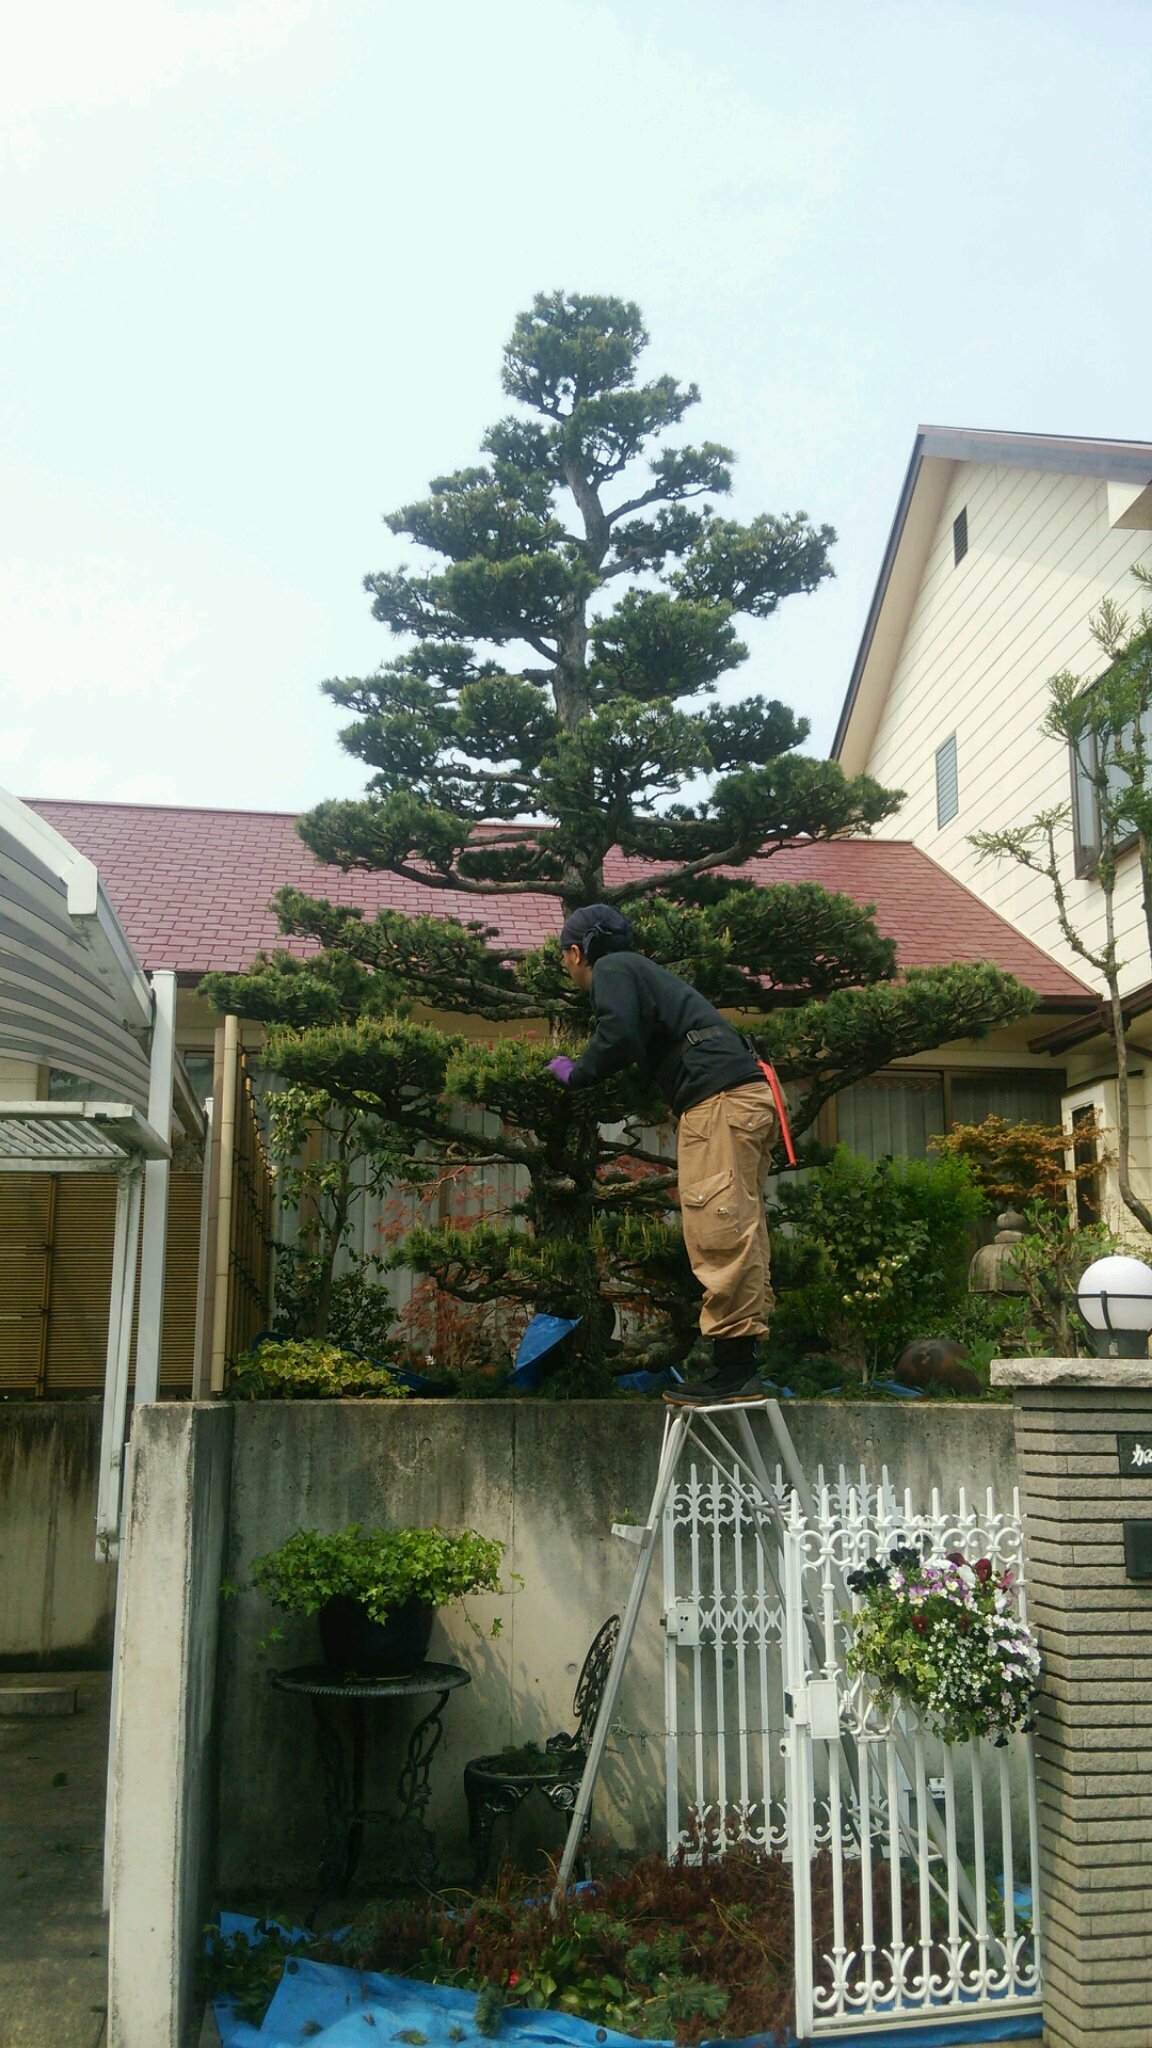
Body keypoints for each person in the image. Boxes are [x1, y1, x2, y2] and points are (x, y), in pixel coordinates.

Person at [545, 903, 779, 1403]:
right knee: (740, 1221)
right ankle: (740, 1362)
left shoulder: (612, 967)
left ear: (576, 951)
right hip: (745, 1097)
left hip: (718, 1102)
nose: (566, 968)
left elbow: (618, 1034)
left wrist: (576, 1071)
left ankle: (733, 1369)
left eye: (564, 957)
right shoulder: (644, 973)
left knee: (716, 1221)